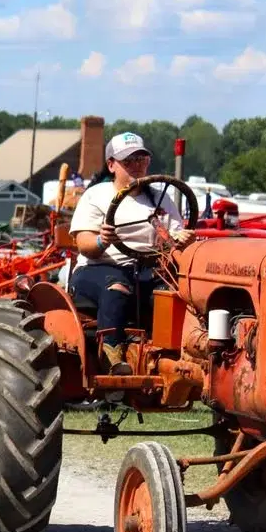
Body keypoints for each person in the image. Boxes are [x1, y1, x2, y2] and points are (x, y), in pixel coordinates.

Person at [68, 132, 196, 375]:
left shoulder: (160, 197)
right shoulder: (96, 195)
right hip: (98, 267)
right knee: (116, 285)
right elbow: (84, 244)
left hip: (148, 269)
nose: (137, 166)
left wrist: (182, 239)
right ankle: (111, 356)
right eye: (129, 161)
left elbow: (176, 234)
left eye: (142, 160)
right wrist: (101, 240)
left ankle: (173, 354)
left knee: (179, 291)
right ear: (111, 165)